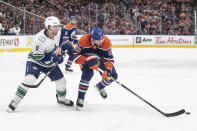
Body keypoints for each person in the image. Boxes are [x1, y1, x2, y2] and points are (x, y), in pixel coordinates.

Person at [7, 16, 74, 112]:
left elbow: (60, 42)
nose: (58, 28)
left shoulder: (58, 33)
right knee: (29, 79)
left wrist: (66, 46)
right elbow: (39, 57)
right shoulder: (39, 39)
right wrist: (54, 59)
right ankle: (15, 101)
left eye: (58, 26)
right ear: (49, 27)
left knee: (62, 81)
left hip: (49, 60)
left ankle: (61, 99)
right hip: (35, 60)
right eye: (55, 26)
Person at [73, 27, 118, 110]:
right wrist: (87, 60)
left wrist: (108, 69)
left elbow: (109, 59)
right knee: (87, 75)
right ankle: (80, 98)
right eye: (98, 40)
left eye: (102, 39)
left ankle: (100, 87)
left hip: (100, 59)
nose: (101, 41)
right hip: (86, 59)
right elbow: (75, 57)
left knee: (113, 76)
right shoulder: (83, 40)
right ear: (92, 39)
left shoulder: (106, 42)